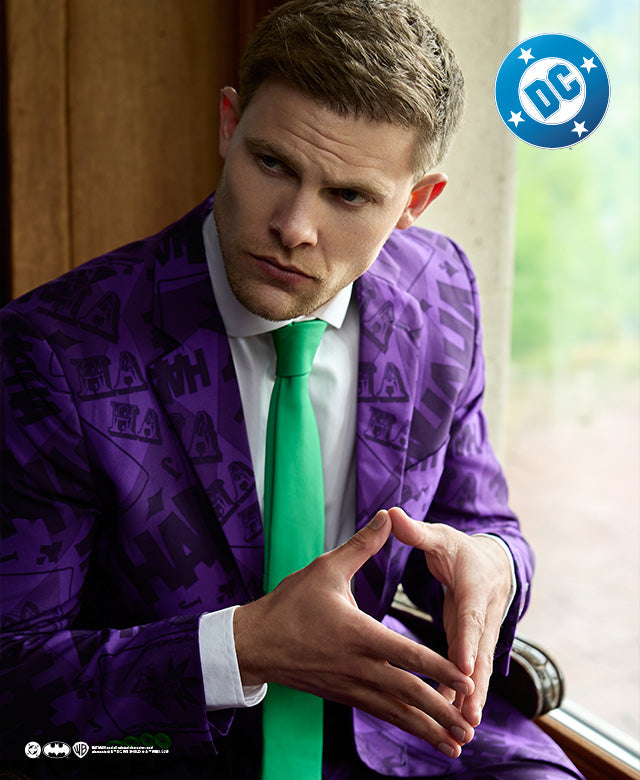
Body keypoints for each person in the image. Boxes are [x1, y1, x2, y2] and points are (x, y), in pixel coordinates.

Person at [0, 1, 583, 778]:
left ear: (415, 203)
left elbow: (479, 519)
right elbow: (16, 675)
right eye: (272, 164)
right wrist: (243, 647)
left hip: (401, 734)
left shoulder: (442, 292)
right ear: (227, 126)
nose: (295, 226)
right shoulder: (53, 351)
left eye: (349, 197)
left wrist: (492, 564)